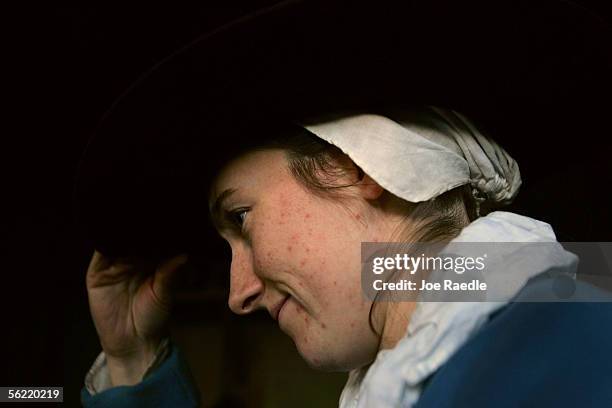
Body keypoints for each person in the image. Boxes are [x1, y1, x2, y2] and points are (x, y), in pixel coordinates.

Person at [80, 106, 612, 407]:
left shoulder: (569, 354)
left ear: (354, 169)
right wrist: (131, 360)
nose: (238, 293)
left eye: (241, 218)